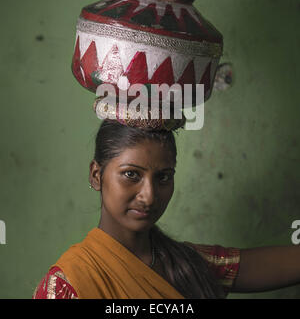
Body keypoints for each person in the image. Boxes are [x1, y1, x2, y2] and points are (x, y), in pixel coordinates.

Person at [33, 118, 300, 299]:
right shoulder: (69, 283)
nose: (149, 196)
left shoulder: (187, 264)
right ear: (96, 175)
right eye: (131, 175)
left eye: (163, 177)